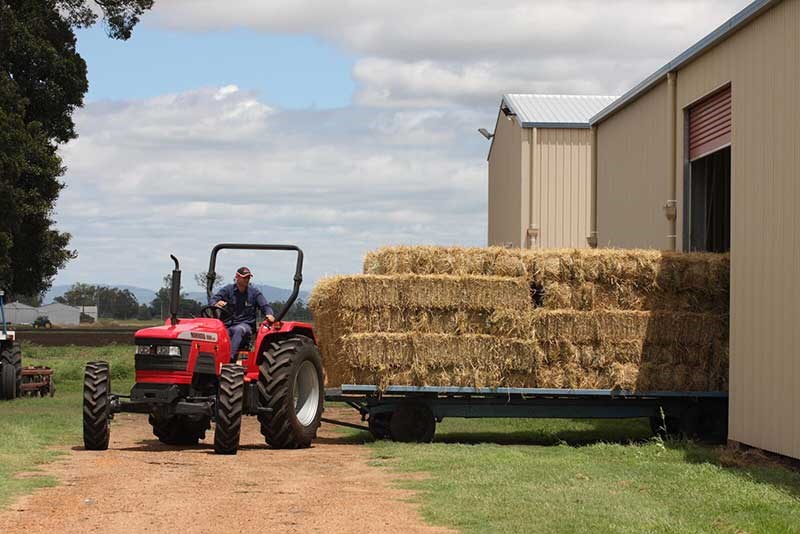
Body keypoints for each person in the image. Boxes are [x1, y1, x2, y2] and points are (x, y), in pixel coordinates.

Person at [210, 266, 275, 362]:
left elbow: (265, 305)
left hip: (245, 325)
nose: (247, 280)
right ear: (237, 277)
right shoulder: (228, 290)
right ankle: (211, 358)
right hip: (227, 325)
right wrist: (216, 303)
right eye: (244, 277)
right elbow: (213, 299)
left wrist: (269, 314)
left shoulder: (254, 293)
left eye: (248, 278)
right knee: (215, 333)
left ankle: (229, 359)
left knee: (238, 330)